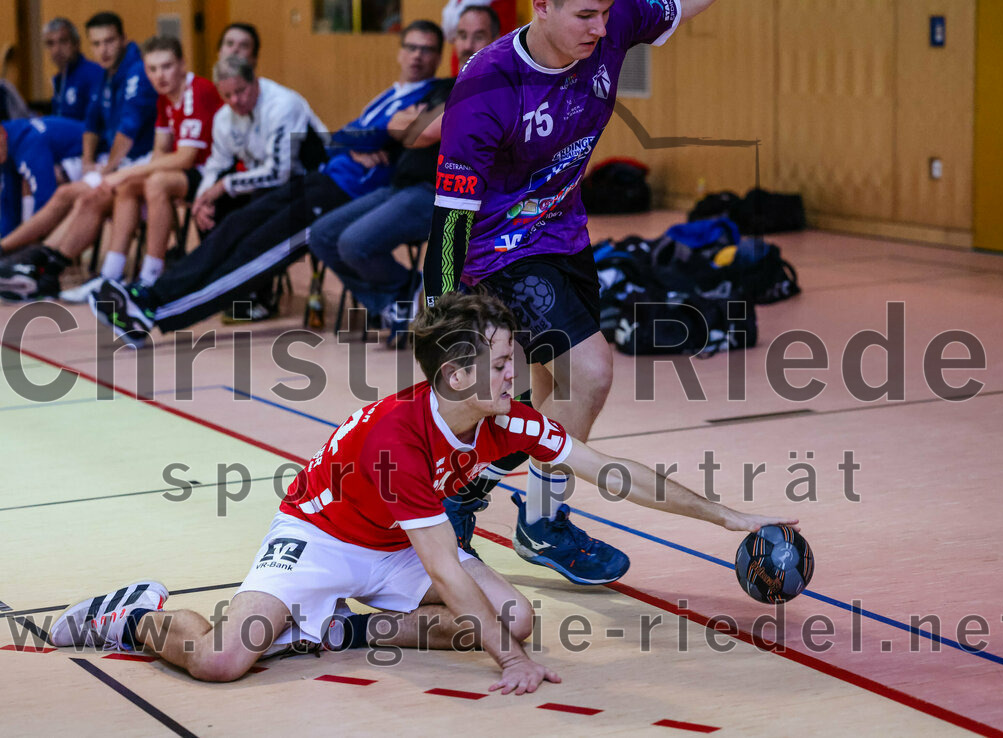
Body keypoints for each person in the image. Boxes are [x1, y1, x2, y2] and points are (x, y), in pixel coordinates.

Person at [49, 292, 797, 691]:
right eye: (503, 363)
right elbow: (443, 568)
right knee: (221, 661)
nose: (517, 374)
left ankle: (336, 631)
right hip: (324, 537)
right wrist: (512, 666)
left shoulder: (504, 420)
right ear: (456, 376)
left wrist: (730, 515)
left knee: (512, 614)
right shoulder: (396, 440)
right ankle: (134, 615)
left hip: (402, 546)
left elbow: (611, 470)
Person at [423, 0, 717, 585]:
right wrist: (444, 316)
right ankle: (541, 520)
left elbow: (681, 5)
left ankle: (464, 487)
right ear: (543, 7)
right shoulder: (487, 84)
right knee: (591, 372)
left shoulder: (613, 22)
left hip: (566, 236)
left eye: (606, 12)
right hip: (498, 250)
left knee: (551, 396)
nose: (603, 29)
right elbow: (450, 218)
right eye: (586, 15)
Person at [88, 22, 445, 346]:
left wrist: (362, 139)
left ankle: (151, 315)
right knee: (235, 226)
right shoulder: (391, 93)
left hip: (348, 195)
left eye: (426, 49)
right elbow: (349, 133)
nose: (417, 56)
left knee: (253, 254)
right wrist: (359, 140)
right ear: (399, 51)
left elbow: (380, 135)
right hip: (321, 179)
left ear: (439, 55)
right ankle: (149, 293)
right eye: (411, 47)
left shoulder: (431, 94)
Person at [308, 7, 499, 342]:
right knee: (322, 235)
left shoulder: (490, 86)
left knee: (353, 243)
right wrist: (416, 123)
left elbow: (421, 132)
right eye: (463, 36)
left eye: (478, 36)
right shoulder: (445, 85)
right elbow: (398, 122)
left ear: (495, 39)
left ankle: (403, 305)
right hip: (400, 186)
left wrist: (419, 123)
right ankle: (402, 302)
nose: (468, 44)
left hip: (440, 193)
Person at [0, 37, 220, 302]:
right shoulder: (163, 98)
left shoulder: (196, 91)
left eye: (166, 67)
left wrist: (124, 171)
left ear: (183, 64)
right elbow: (161, 150)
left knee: (141, 184)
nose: (159, 76)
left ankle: (149, 277)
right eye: (152, 69)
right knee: (115, 188)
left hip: (209, 173)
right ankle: (105, 275)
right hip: (156, 168)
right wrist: (128, 174)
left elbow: (185, 158)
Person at [0, 12, 157, 272]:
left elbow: (126, 132)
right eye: (96, 43)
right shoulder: (105, 74)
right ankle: (25, 254)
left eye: (109, 41)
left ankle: (35, 258)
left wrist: (103, 169)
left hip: (135, 160)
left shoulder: (134, 73)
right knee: (64, 192)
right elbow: (91, 125)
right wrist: (87, 162)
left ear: (123, 40)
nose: (103, 50)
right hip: (106, 159)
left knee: (66, 191)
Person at [0, 117, 83, 240]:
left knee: (50, 179)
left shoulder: (28, 142)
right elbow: (9, 203)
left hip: (98, 155)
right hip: (68, 160)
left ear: (2, 134)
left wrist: (23, 241)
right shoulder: (9, 145)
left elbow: (45, 199)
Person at [44, 17, 105, 121]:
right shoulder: (58, 79)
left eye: (63, 41)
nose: (56, 49)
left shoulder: (94, 74)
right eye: (51, 43)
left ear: (76, 43)